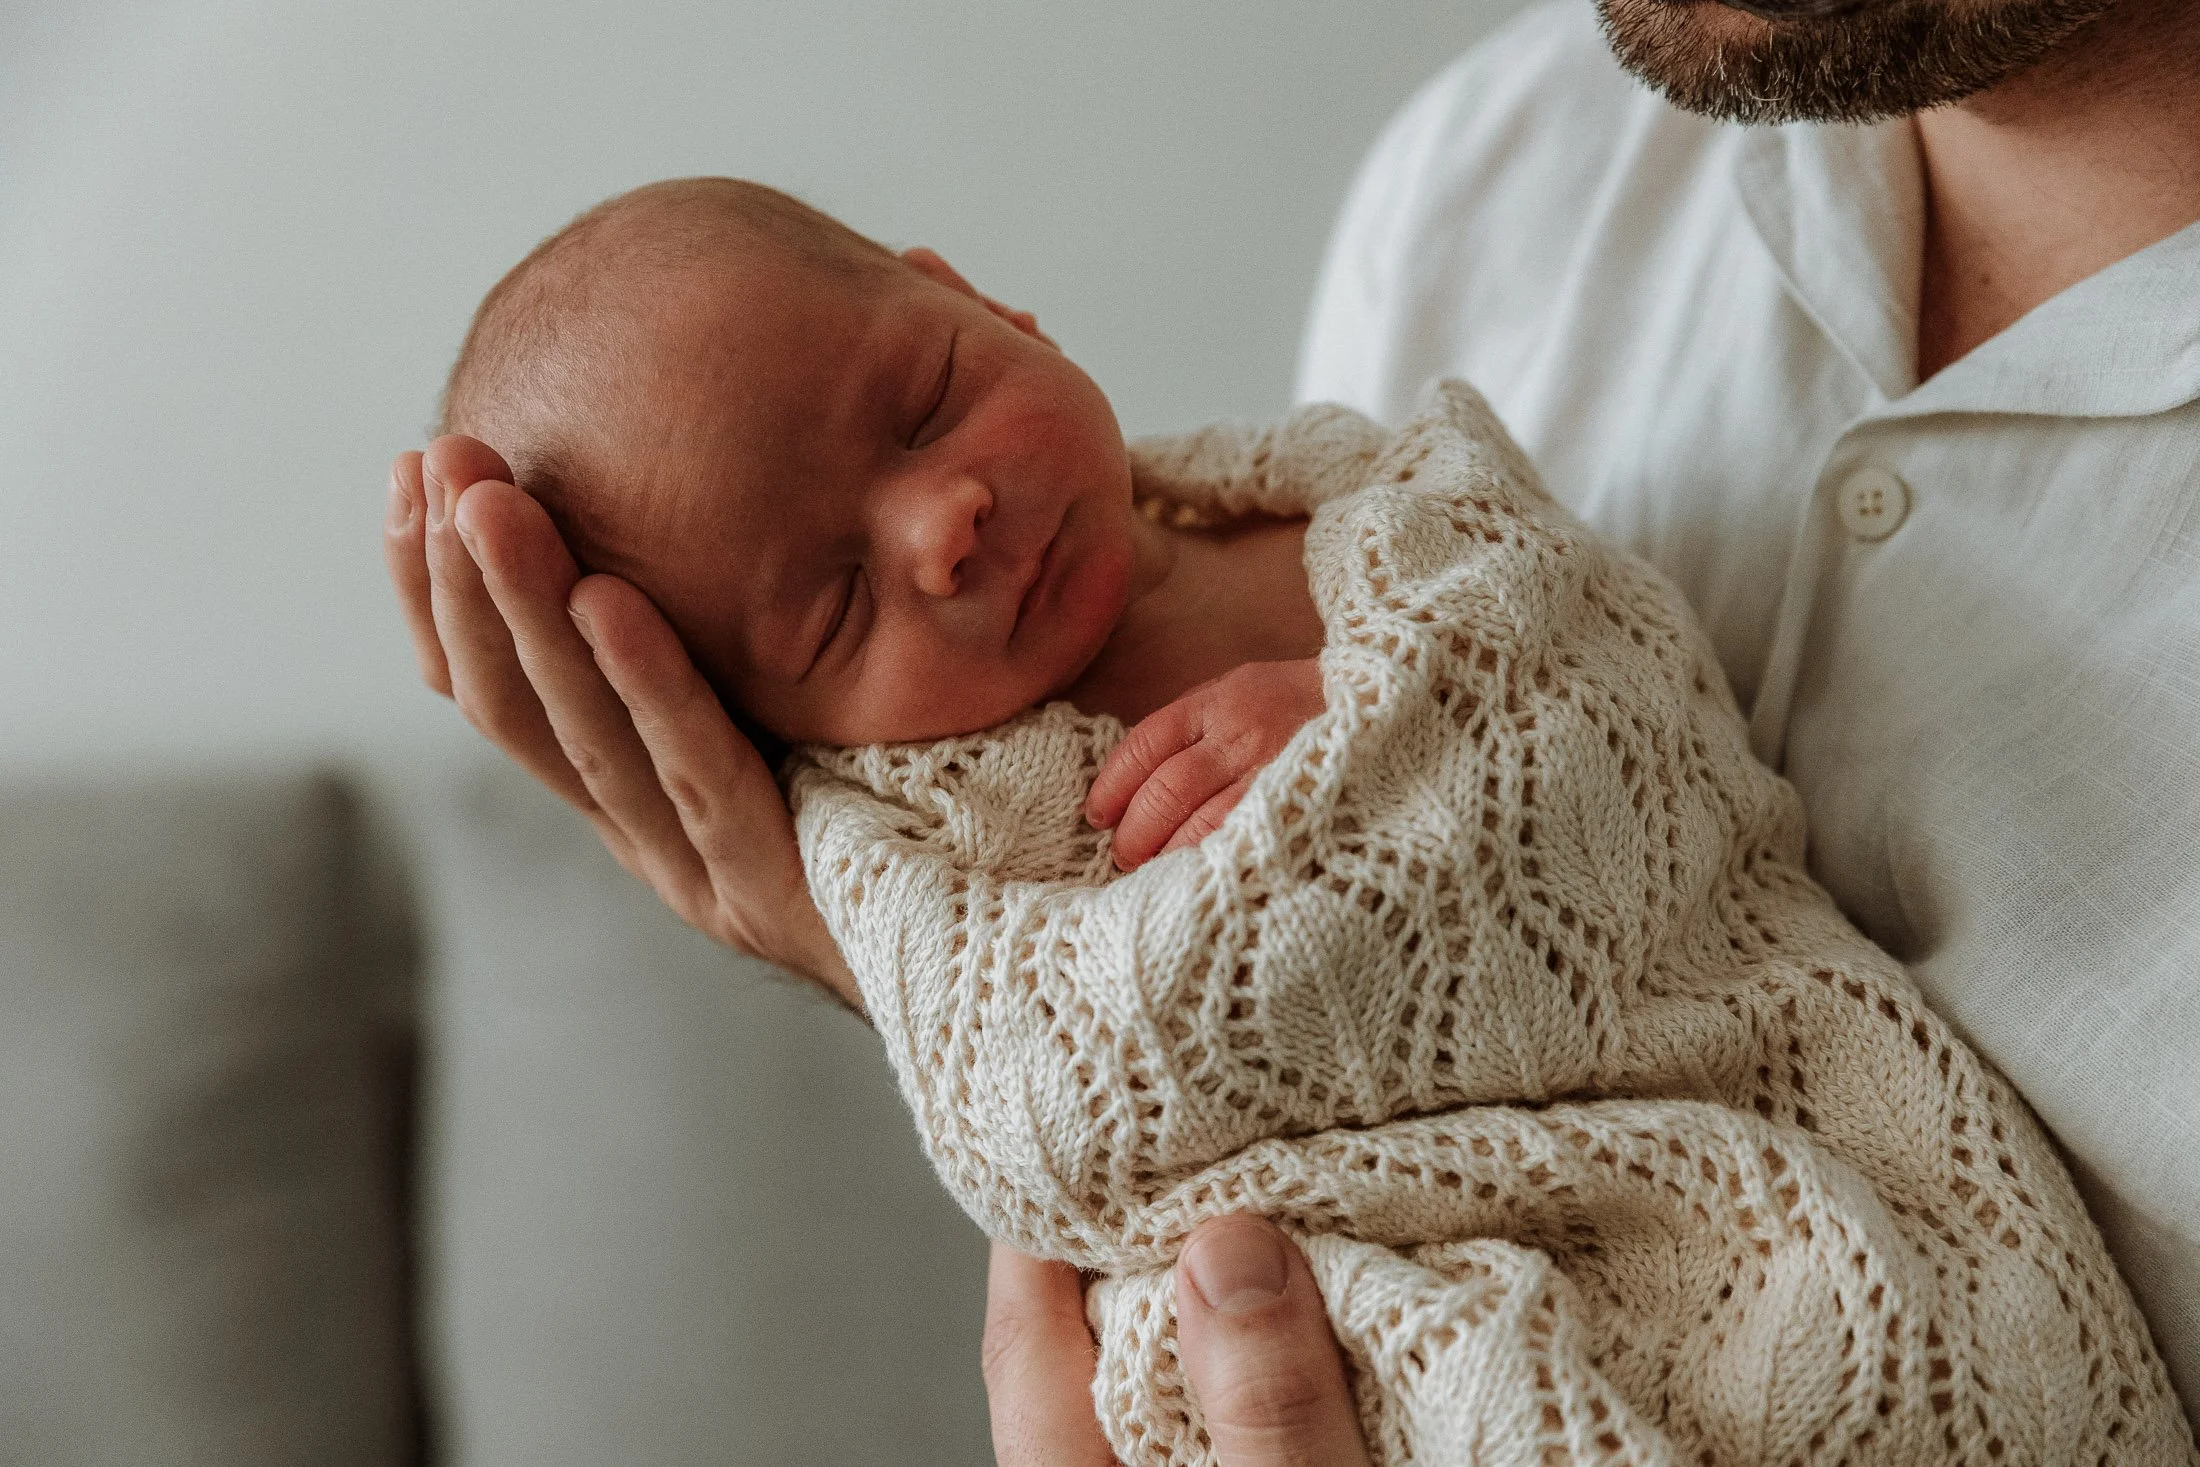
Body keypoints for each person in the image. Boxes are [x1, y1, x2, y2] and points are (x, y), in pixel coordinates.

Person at [386, 0, 2200, 1452]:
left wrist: (1399, 722)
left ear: (980, 304)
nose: (941, 526)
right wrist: (869, 946)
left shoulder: (1343, 503)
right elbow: (1073, 1116)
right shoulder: (1492, 178)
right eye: (833, 606)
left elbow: (1577, 678)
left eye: (929, 402)